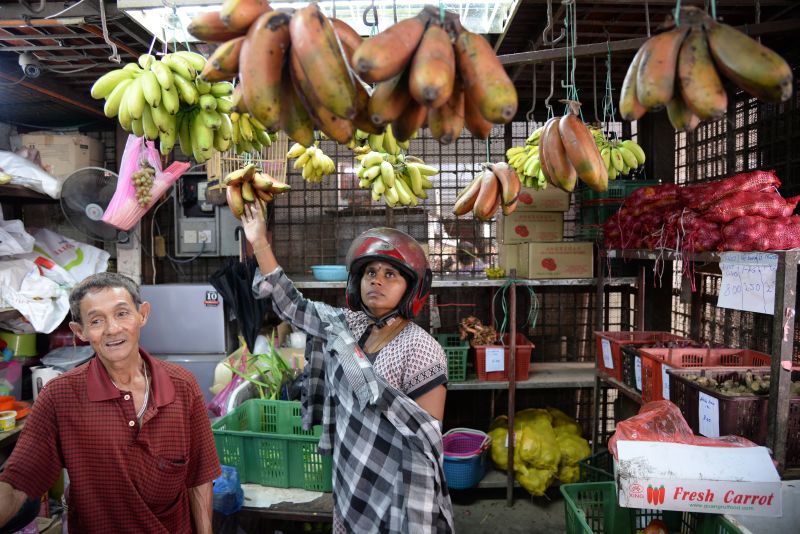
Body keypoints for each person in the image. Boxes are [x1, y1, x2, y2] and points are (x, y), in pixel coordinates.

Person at [242, 202, 454, 533]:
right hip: (349, 477)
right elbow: (292, 305)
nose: (377, 281)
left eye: (390, 274)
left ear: (411, 288)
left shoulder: (422, 349)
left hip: (397, 492)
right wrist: (259, 242)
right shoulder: (346, 326)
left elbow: (424, 447)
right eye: (371, 272)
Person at [0, 272, 221, 534]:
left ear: (143, 315)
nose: (112, 329)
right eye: (96, 320)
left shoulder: (183, 386)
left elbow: (199, 479)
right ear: (80, 332)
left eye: (122, 314)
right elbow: (17, 483)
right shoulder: (59, 397)